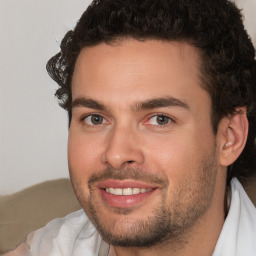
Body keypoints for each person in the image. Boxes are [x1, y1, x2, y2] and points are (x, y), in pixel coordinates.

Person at [6, 0, 256, 255]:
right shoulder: (49, 248)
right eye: (95, 118)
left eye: (160, 119)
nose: (116, 154)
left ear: (230, 137)